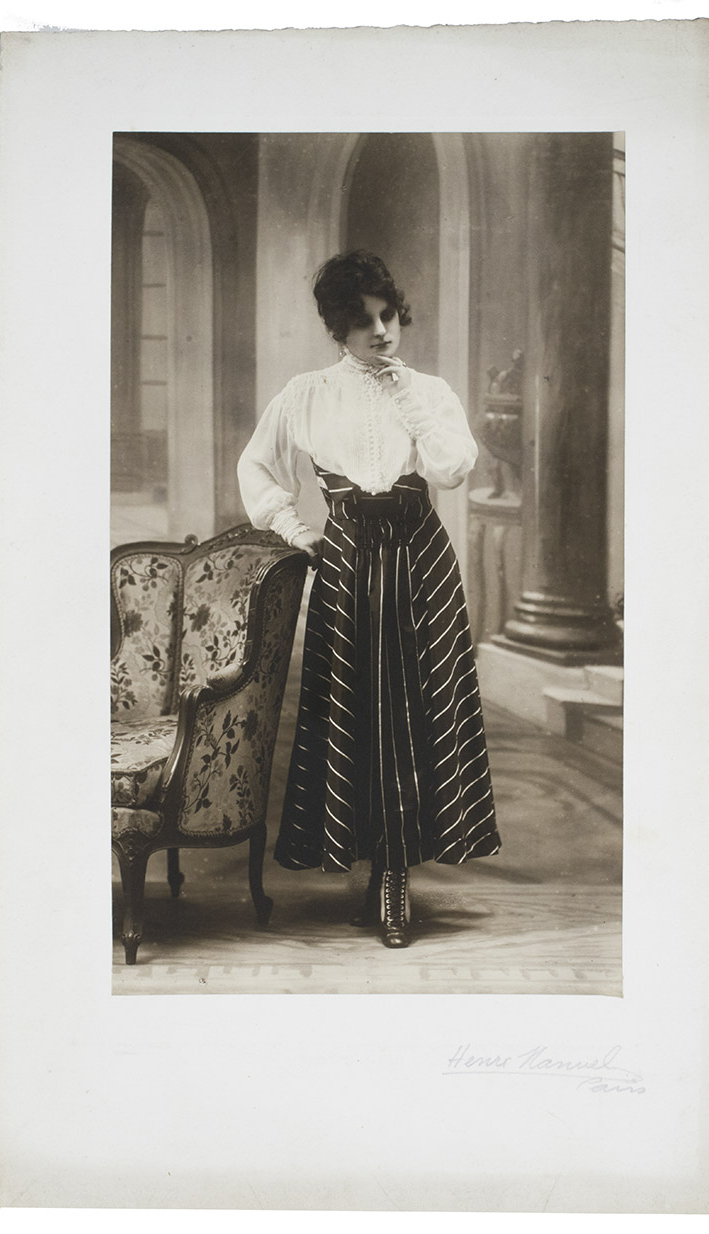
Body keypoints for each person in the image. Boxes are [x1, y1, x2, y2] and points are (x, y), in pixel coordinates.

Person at [238, 249, 501, 948]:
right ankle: (374, 867)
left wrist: (409, 397)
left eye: (388, 317)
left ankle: (395, 876)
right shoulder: (306, 394)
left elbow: (451, 468)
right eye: (363, 322)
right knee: (354, 711)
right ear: (338, 329)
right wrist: (297, 530)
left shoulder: (429, 392)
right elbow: (258, 468)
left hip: (420, 560)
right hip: (348, 560)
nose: (381, 332)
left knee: (419, 708)